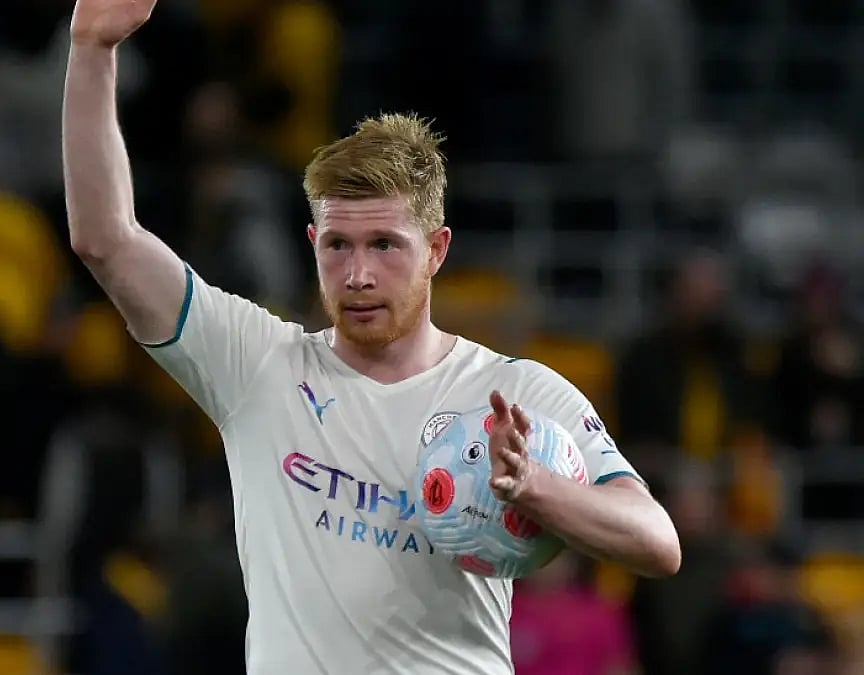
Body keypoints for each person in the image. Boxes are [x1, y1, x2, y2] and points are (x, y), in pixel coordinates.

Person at [61, 1, 682, 672]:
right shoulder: (257, 365)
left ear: (438, 249)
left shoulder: (513, 393)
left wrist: (535, 487)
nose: (357, 273)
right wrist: (92, 50)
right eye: (338, 245)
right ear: (312, 243)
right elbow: (107, 241)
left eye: (385, 244)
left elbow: (656, 540)